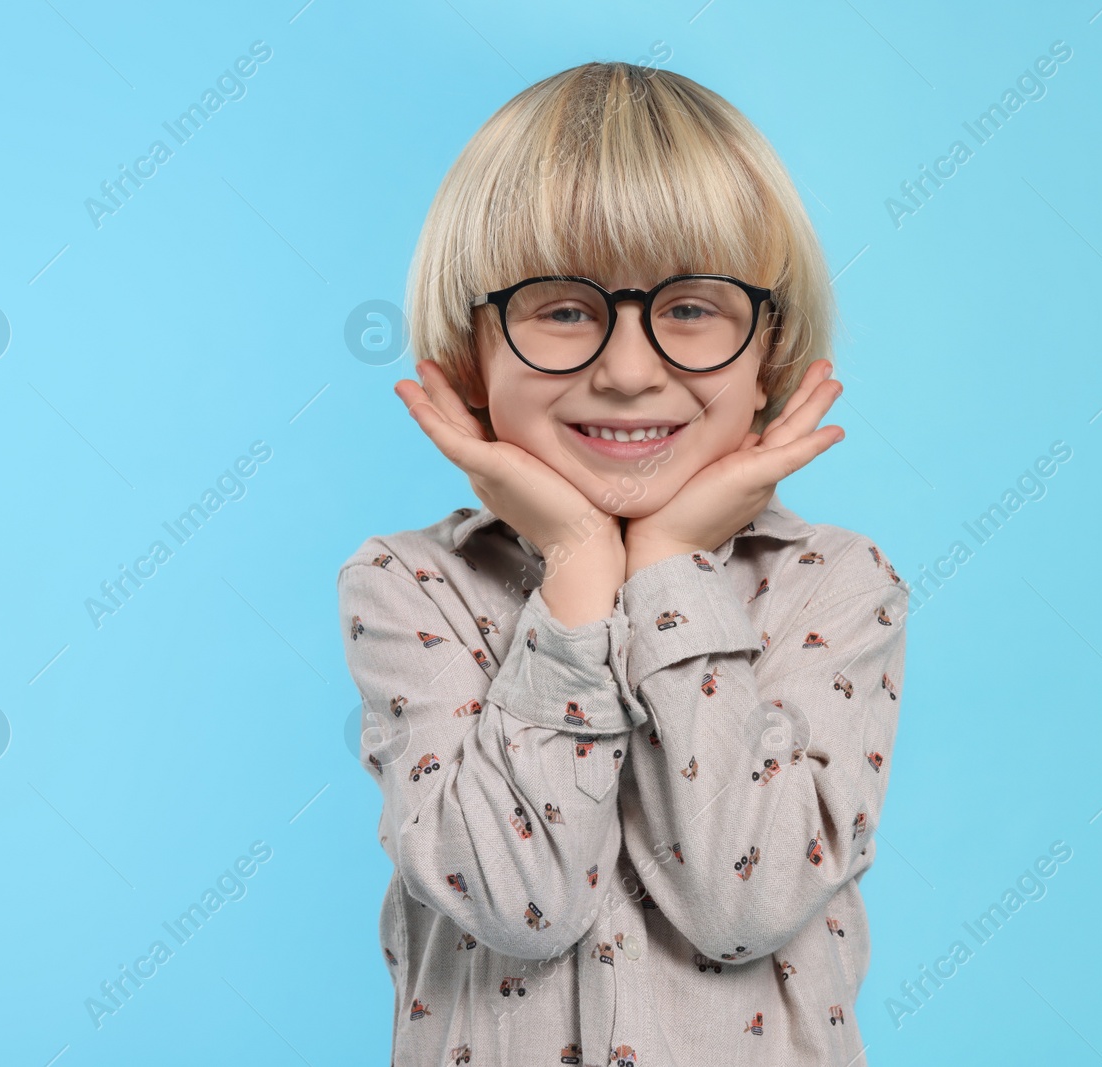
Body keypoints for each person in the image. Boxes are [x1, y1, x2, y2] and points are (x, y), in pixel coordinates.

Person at [337, 60, 907, 1067]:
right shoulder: (409, 583)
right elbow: (515, 899)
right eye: (561, 307)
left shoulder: (836, 584)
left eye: (691, 308)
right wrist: (577, 569)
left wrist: (672, 570)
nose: (629, 369)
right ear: (473, 350)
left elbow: (744, 901)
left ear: (767, 350)